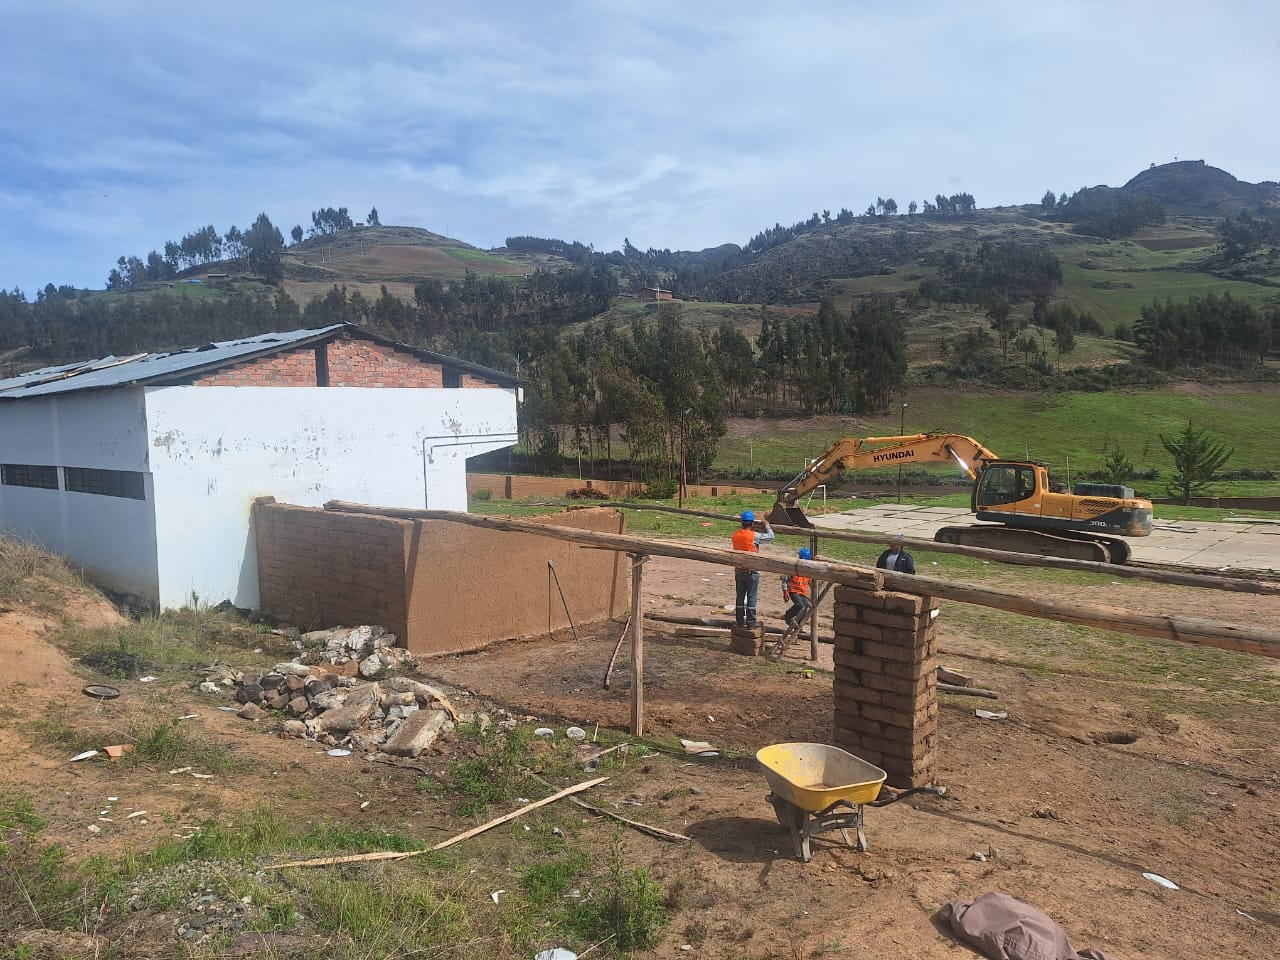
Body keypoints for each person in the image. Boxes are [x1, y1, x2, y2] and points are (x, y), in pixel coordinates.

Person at [731, 509, 774, 627]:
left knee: (740, 596)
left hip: (739, 569)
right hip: (752, 571)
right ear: (752, 523)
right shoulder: (754, 536)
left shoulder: (735, 535)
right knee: (751, 596)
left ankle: (740, 620)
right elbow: (771, 537)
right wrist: (767, 526)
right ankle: (750, 621)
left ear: (742, 523)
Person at [783, 547, 813, 630]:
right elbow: (785, 579)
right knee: (800, 605)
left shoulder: (808, 569)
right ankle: (788, 615)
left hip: (803, 591)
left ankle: (798, 627)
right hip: (793, 590)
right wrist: (785, 592)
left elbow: (809, 581)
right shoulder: (793, 567)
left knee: (805, 610)